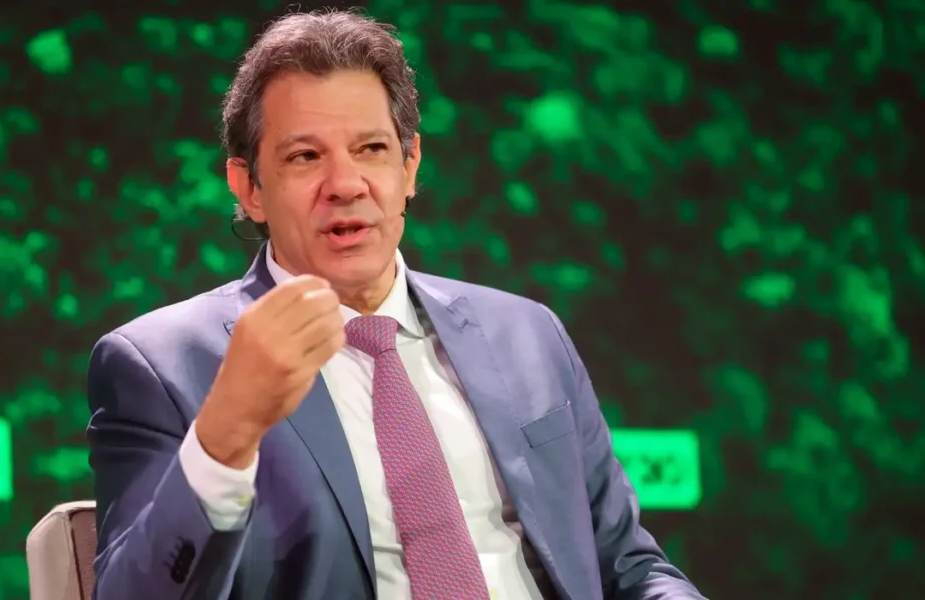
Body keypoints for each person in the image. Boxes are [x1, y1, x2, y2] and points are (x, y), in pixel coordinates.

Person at [86, 8, 706, 600]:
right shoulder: (163, 365)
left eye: (372, 150)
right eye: (305, 157)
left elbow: (627, 566)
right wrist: (227, 432)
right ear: (248, 188)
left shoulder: (527, 334)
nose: (345, 184)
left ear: (410, 167)